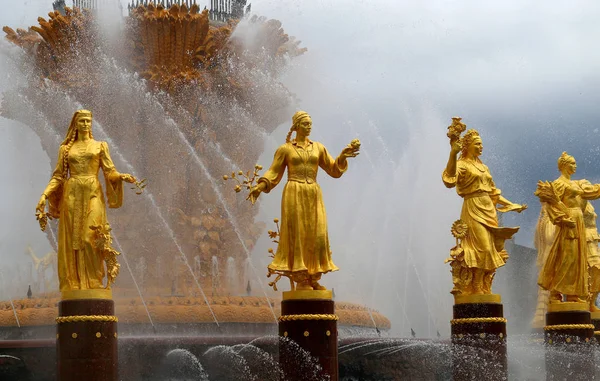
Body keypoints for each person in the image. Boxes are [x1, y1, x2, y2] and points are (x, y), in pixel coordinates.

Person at [248, 111, 359, 291]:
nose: (309, 127)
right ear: (296, 126)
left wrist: (343, 156)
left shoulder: (318, 148)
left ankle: (314, 277)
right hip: (294, 192)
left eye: (310, 124)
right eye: (306, 124)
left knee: (318, 235)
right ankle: (301, 279)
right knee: (297, 235)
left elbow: (334, 170)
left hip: (314, 194)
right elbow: (273, 172)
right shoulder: (285, 149)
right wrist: (259, 187)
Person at [35, 110, 136, 293]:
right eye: (82, 121)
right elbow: (58, 176)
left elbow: (109, 171)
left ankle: (94, 280)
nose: (86, 124)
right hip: (72, 194)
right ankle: (74, 283)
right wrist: (44, 195)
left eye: (88, 121)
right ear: (76, 124)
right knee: (73, 240)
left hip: (92, 192)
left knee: (91, 237)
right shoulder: (66, 149)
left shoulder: (100, 146)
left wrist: (121, 176)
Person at [443, 128, 526, 295]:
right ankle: (475, 287)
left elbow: (493, 192)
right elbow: (449, 179)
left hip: (489, 209)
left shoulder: (484, 167)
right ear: (468, 146)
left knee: (494, 247)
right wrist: (453, 153)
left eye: (482, 144)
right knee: (483, 248)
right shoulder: (462, 164)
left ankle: (483, 285)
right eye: (477, 144)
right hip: (473, 207)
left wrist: (512, 205)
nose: (481, 147)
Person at [536, 152, 600, 303]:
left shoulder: (574, 184)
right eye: (572, 163)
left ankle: (572, 294)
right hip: (568, 221)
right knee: (566, 257)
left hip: (578, 220)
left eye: (575, 163)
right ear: (563, 166)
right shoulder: (558, 184)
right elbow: (550, 205)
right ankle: (555, 292)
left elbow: (592, 193)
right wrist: (562, 219)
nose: (575, 166)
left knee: (578, 259)